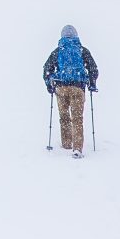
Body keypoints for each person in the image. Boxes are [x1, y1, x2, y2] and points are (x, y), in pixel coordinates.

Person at [43, 25, 99, 158]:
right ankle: (77, 148)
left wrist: (49, 85)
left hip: (61, 88)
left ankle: (66, 143)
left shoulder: (58, 51)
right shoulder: (81, 50)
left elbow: (46, 68)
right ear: (76, 35)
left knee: (64, 117)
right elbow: (93, 68)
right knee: (77, 118)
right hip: (78, 88)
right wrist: (92, 83)